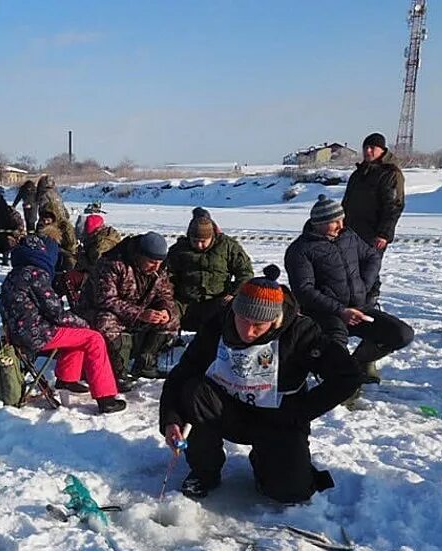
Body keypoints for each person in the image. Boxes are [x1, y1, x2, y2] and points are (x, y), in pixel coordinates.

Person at [159, 266, 364, 502]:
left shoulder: (301, 331)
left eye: (258, 324)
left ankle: (268, 463)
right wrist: (171, 419)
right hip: (226, 410)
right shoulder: (219, 323)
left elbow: (348, 376)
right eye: (242, 320)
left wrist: (299, 412)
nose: (248, 331)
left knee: (291, 493)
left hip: (277, 418)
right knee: (193, 391)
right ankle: (205, 471)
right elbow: (183, 372)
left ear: (275, 320)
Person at [284, 195, 415, 384]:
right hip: (326, 313)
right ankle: (339, 384)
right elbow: (304, 291)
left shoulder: (348, 236)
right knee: (335, 350)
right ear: (318, 223)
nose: (340, 225)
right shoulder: (300, 250)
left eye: (341, 220)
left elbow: (372, 257)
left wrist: (364, 285)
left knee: (401, 334)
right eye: (334, 222)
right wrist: (341, 311)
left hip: (359, 307)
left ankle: (359, 362)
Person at [0, 235, 126, 414]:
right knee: (93, 338)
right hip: (36, 334)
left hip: (18, 332)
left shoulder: (16, 273)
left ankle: (68, 379)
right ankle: (106, 398)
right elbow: (56, 312)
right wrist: (83, 322)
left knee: (76, 334)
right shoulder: (36, 274)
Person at [76, 232, 180, 386]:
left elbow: (165, 294)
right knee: (106, 322)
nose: (156, 266)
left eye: (159, 262)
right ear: (140, 255)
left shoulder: (158, 269)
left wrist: (164, 310)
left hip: (137, 311)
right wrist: (139, 314)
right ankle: (117, 370)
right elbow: (106, 299)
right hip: (99, 311)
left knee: (173, 316)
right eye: (151, 261)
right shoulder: (112, 263)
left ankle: (146, 362)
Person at [166, 207, 254, 331]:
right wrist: (167, 298)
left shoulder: (227, 246)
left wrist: (234, 294)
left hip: (218, 299)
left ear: (211, 236)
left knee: (232, 317)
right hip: (184, 301)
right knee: (164, 316)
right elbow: (168, 277)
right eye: (195, 241)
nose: (199, 245)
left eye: (203, 241)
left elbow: (245, 273)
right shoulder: (179, 249)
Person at [342, 132, 404, 302]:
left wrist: (384, 233)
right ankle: (354, 304)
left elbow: (393, 206)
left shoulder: (390, 173)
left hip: (373, 233)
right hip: (351, 230)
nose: (368, 151)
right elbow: (346, 202)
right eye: (365, 147)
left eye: (372, 148)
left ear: (382, 150)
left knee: (369, 271)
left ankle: (370, 303)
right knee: (350, 269)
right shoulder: (359, 173)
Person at [0, 186, 25, 264]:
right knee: (4, 244)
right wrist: (9, 226)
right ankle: (5, 261)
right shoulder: (2, 202)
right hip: (3, 228)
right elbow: (6, 216)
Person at [37, 207, 79, 273]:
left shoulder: (63, 229)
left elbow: (70, 246)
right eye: (43, 219)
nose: (45, 222)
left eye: (48, 220)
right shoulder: (40, 228)